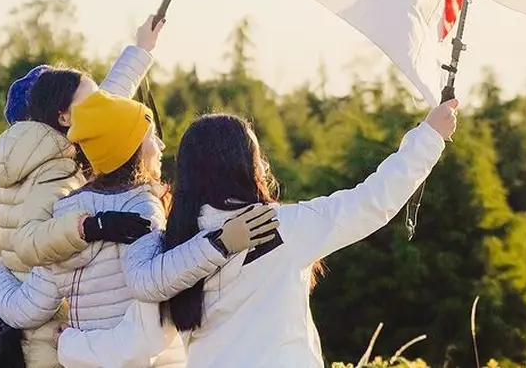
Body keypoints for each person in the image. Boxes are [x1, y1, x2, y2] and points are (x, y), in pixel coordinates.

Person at [59, 98, 459, 368]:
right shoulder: (279, 226)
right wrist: (428, 137)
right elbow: (373, 200)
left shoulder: (169, 241)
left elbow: (140, 319)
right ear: (244, 164)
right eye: (256, 152)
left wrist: (63, 343)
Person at [0, 89, 279, 368]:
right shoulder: (145, 211)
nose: (161, 145)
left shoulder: (64, 220)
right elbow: (154, 298)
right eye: (151, 138)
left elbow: (27, 308)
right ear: (131, 148)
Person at [0, 17, 169, 368]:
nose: (100, 104)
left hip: (9, 320)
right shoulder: (62, 173)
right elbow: (33, 245)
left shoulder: (6, 174)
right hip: (47, 333)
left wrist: (140, 49)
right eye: (90, 101)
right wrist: (91, 227)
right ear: (65, 117)